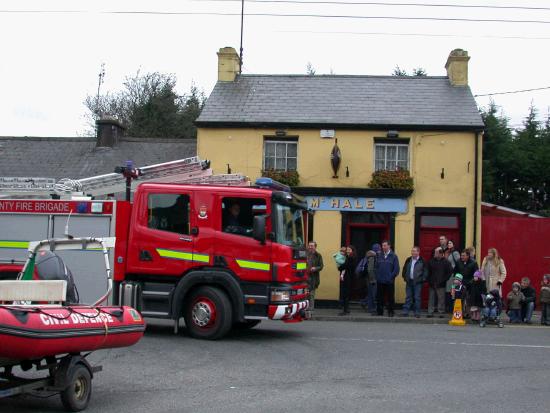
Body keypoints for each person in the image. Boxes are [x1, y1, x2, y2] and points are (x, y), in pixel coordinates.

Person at [401, 246, 427, 318]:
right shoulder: (408, 259)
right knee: (408, 297)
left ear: (418, 252)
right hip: (409, 281)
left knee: (417, 297)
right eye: (412, 251)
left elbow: (425, 271)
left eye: (414, 251)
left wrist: (423, 279)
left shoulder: (422, 260)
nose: (413, 252)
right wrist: (405, 277)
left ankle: (417, 312)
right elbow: (404, 269)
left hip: (418, 282)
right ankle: (405, 311)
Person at [376, 241, 400, 317]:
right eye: (382, 246)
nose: (383, 247)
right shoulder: (379, 255)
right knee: (380, 297)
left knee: (390, 297)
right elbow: (376, 267)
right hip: (380, 280)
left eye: (385, 245)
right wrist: (378, 276)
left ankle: (391, 311)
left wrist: (391, 277)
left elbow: (396, 269)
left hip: (389, 281)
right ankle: (379, 311)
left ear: (389, 246)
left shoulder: (394, 256)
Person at [427, 247, 453, 318]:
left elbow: (449, 272)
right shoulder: (431, 261)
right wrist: (429, 280)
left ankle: (441, 312)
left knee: (441, 298)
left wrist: (444, 280)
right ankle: (430, 312)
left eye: (436, 252)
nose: (434, 254)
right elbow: (428, 271)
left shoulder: (446, 262)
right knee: (431, 298)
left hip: (441, 283)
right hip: (432, 283)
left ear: (440, 254)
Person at [455, 249, 479, 318]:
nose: (461, 257)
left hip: (470, 284)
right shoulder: (458, 262)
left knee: (469, 300)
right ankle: (460, 313)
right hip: (460, 283)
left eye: (463, 255)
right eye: (461, 255)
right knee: (459, 299)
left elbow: (477, 273)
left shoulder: (473, 263)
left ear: (468, 256)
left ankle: (468, 313)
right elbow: (455, 272)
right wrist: (457, 279)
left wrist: (472, 281)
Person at [359, 246, 378, 314]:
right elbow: (370, 269)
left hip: (368, 278)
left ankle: (367, 305)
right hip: (371, 279)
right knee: (372, 294)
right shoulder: (372, 258)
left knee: (370, 293)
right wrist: (373, 279)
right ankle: (371, 308)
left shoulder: (368, 258)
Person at [338, 246, 357, 316]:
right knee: (346, 294)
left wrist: (339, 267)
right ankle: (347, 309)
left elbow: (346, 266)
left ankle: (345, 310)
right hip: (348, 277)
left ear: (352, 250)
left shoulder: (351, 257)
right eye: (347, 250)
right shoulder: (349, 257)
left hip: (348, 278)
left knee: (345, 294)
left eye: (349, 250)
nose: (348, 251)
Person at [306, 241, 323, 312]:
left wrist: (315, 268)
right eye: (309, 245)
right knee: (304, 294)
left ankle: (311, 308)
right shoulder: (304, 254)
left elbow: (321, 266)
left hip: (313, 278)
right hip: (304, 277)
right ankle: (304, 308)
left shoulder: (318, 255)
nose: (310, 247)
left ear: (315, 247)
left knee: (311, 294)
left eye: (312, 246)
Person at [445, 240, 461, 312]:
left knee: (453, 290)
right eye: (448, 243)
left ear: (453, 244)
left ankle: (452, 308)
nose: (449, 244)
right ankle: (449, 307)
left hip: (453, 274)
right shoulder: (447, 252)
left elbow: (458, 263)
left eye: (450, 243)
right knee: (448, 291)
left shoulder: (455, 253)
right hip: (447, 274)